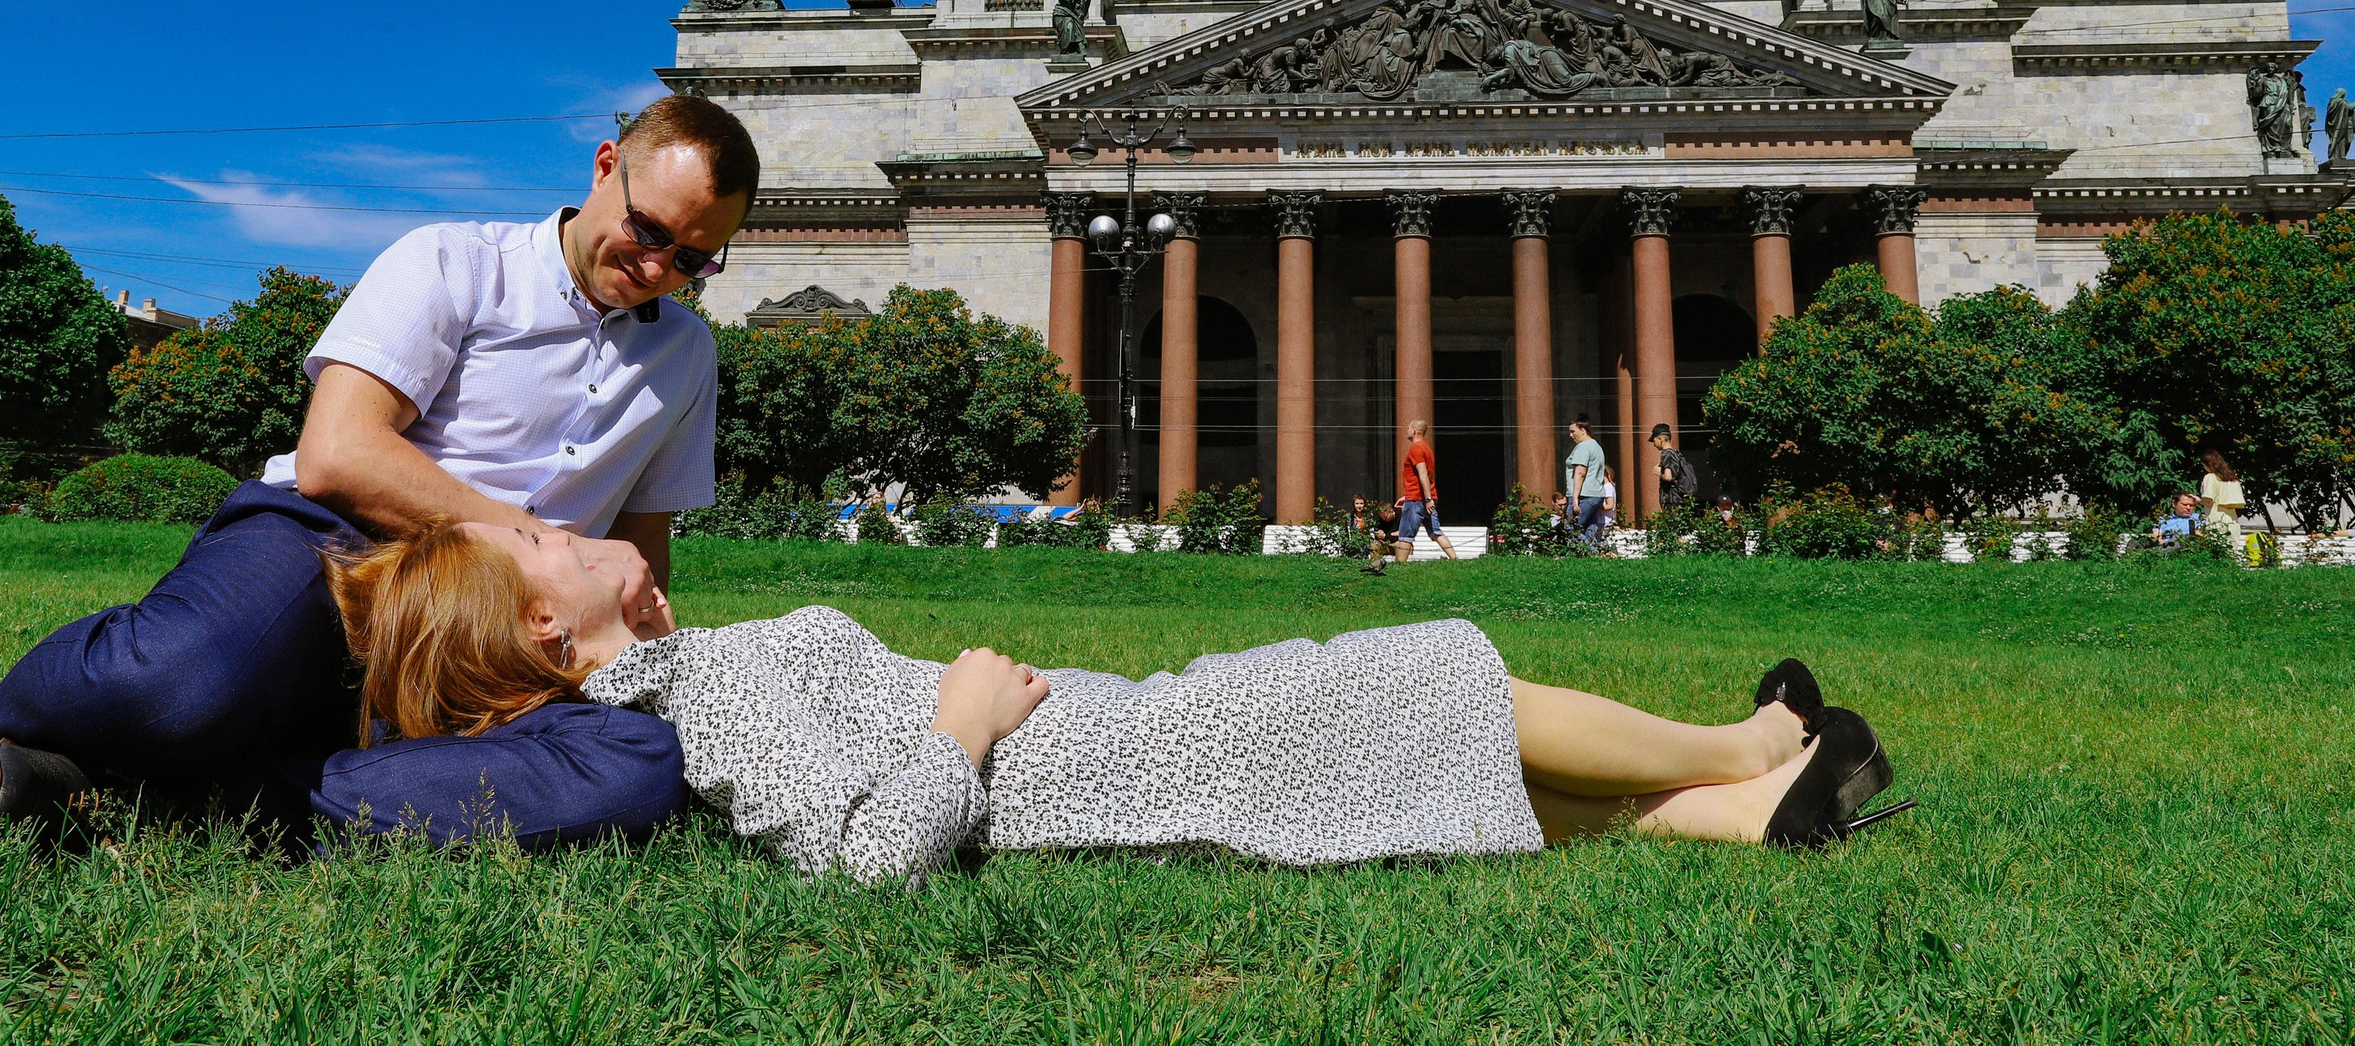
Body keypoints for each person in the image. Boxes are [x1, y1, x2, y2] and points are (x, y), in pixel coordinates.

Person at [0, 94, 761, 851]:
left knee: (643, 764)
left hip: (499, 641)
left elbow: (643, 551)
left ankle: (209, 797)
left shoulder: (686, 358)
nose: (659, 266)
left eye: (694, 258)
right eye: (648, 229)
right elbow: (341, 453)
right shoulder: (457, 264)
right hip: (333, 549)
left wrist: (641, 662)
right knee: (175, 684)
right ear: (605, 166)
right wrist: (537, 540)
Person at [311, 517, 1912, 884]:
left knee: (1434, 731)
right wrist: (967, 717)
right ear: (546, 619)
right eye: (538, 534)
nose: (564, 515)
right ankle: (1761, 743)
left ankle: (1737, 803)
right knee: (1435, 672)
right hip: (1124, 754)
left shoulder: (691, 665)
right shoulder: (700, 686)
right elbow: (864, 858)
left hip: (1121, 737)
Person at [1395, 419, 1457, 562]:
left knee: (1405, 535)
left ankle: (1399, 566)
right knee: (1435, 531)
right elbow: (1422, 477)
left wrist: (1426, 499)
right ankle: (1454, 559)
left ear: (1414, 432)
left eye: (1408, 428)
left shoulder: (1416, 448)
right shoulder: (1427, 448)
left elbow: (1422, 473)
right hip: (1425, 497)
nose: (1406, 431)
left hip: (1418, 499)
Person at [1563, 416, 1609, 541]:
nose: (1571, 435)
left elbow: (1580, 473)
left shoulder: (1583, 447)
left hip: (1583, 495)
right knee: (1590, 530)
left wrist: (1575, 498)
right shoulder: (1596, 446)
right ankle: (1594, 556)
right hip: (1596, 495)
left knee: (1570, 528)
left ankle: (1592, 552)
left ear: (1583, 430)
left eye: (1573, 431)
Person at [2198, 451, 2248, 557]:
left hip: (2216, 521)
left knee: (2215, 555)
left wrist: (2196, 500)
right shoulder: (2232, 480)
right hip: (2232, 522)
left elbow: (2208, 501)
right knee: (2230, 555)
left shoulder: (2210, 477)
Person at [1651, 424, 1698, 514]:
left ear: (1660, 439)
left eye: (1654, 440)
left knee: (1673, 523)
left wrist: (1659, 472)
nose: (1654, 444)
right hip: (1680, 498)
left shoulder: (1666, 453)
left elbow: (1669, 477)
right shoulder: (1676, 453)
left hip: (1671, 499)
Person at [1365, 501, 1402, 574]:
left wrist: (1386, 535)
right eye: (1382, 517)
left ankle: (1399, 568)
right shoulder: (1381, 520)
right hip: (1386, 543)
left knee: (1399, 545)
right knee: (1374, 545)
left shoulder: (1401, 516)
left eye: (1385, 517)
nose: (1384, 520)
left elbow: (1403, 535)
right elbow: (1378, 534)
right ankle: (1376, 567)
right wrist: (1386, 535)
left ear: (1391, 511)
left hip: (1399, 543)